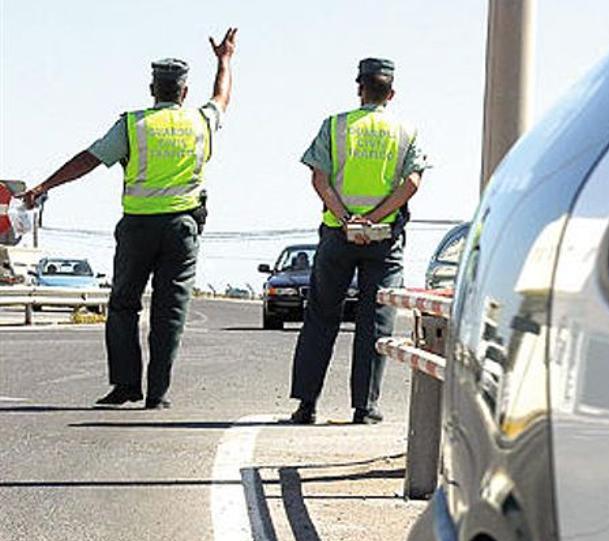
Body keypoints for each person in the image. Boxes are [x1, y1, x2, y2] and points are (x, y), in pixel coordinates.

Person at [21, 29, 237, 409]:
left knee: (123, 306)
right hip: (182, 229)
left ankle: (125, 386)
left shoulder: (133, 125)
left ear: (153, 88)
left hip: (137, 229)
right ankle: (157, 394)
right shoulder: (201, 122)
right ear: (183, 92)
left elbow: (88, 159)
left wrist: (43, 185)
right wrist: (224, 61)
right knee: (169, 313)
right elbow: (222, 97)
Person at [287, 57, 428, 425]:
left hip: (338, 233)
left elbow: (319, 178)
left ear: (359, 88)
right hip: (383, 240)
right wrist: (375, 219)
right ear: (391, 93)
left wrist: (349, 218)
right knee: (375, 322)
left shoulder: (335, 126)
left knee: (320, 317)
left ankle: (306, 405)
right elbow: (412, 183)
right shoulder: (406, 131)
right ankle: (364, 408)